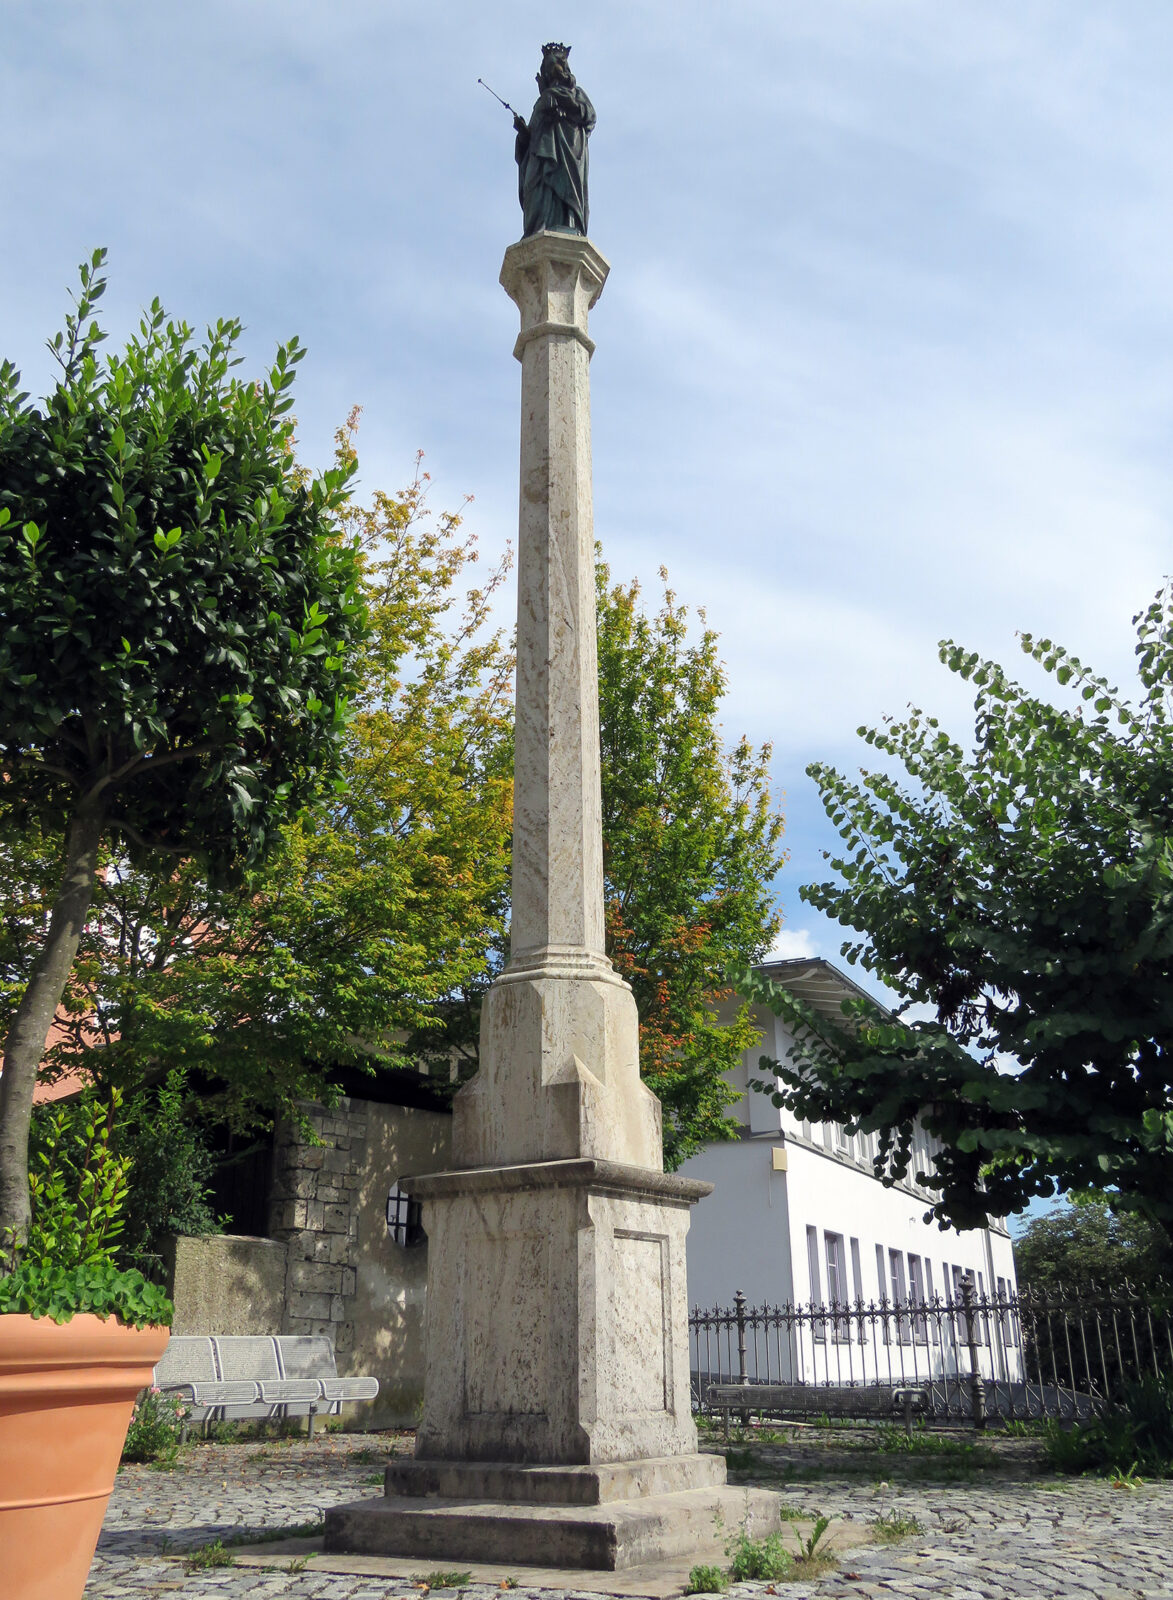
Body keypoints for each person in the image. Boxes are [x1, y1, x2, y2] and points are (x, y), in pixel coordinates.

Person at [513, 43, 595, 237]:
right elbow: (532, 135)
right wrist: (524, 135)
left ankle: (568, 222)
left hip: (568, 151)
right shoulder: (542, 101)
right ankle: (537, 226)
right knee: (535, 190)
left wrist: (560, 106)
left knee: (564, 190)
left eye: (556, 65)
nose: (554, 71)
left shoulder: (576, 93)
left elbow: (588, 117)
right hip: (540, 155)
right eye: (549, 67)